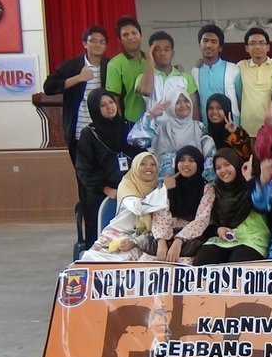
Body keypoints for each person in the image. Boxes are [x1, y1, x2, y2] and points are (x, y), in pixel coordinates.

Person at [75, 89, 141, 247]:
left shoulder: (130, 127)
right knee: (102, 237)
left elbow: (142, 158)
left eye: (111, 102)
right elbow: (83, 169)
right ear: (94, 109)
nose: (109, 107)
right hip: (102, 192)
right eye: (103, 105)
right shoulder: (89, 134)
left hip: (132, 190)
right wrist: (106, 189)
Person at [43, 25, 110, 172]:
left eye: (102, 42)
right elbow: (48, 87)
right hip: (79, 133)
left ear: (106, 46)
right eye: (93, 41)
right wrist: (78, 78)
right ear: (85, 43)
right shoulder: (72, 66)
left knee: (107, 176)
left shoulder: (111, 66)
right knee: (83, 176)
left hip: (105, 133)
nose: (98, 45)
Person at [80, 152, 165, 261]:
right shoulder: (126, 185)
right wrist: (163, 190)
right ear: (135, 167)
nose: (148, 167)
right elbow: (139, 208)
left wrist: (135, 241)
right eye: (143, 164)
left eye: (153, 164)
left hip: (143, 239)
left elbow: (159, 226)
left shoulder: (157, 190)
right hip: (118, 233)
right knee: (95, 261)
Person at [192, 149, 270, 265]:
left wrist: (249, 181)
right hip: (222, 239)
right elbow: (207, 220)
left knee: (238, 263)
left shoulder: (252, 183)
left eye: (227, 165)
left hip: (251, 238)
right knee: (203, 260)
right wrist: (218, 230)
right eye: (218, 167)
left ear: (236, 164)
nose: (223, 170)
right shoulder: (215, 190)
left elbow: (262, 206)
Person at [140, 146, 215, 264]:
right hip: (165, 235)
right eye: (182, 160)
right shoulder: (170, 184)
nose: (186, 164)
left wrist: (179, 240)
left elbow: (202, 220)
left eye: (191, 160)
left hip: (191, 237)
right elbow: (160, 215)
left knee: (180, 268)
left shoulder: (207, 189)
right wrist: (161, 241)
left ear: (199, 164)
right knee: (148, 266)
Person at [129, 89, 215, 180]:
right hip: (165, 183)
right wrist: (150, 115)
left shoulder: (199, 127)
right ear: (171, 106)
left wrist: (210, 181)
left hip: (193, 183)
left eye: (186, 101)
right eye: (177, 102)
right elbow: (135, 140)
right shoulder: (160, 127)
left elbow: (210, 156)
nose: (183, 105)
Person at [136, 31, 198, 119]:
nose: (162, 53)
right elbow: (146, 91)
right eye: (157, 50)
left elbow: (194, 110)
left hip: (179, 127)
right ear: (151, 53)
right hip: (154, 126)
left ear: (172, 53)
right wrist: (149, 60)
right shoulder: (143, 77)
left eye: (166, 49)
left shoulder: (186, 78)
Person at [236, 28, 272, 136]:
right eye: (252, 43)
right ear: (246, 48)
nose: (257, 47)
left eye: (262, 43)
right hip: (247, 130)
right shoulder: (240, 66)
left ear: (268, 47)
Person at [191, 24, 240, 123]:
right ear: (200, 45)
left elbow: (241, 99)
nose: (208, 45)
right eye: (205, 41)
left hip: (231, 126)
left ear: (220, 47)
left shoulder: (233, 69)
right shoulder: (195, 72)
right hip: (206, 127)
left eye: (214, 42)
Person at [105, 16, 147, 124]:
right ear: (120, 40)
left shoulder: (151, 60)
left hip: (156, 120)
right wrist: (120, 125)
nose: (131, 37)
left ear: (141, 35)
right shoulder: (115, 64)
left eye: (134, 33)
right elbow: (114, 98)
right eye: (125, 35)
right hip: (131, 122)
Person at [204, 93, 253, 160]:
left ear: (226, 110)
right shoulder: (204, 133)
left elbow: (247, 156)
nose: (214, 111)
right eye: (211, 108)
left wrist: (235, 133)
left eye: (219, 108)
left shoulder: (240, 133)